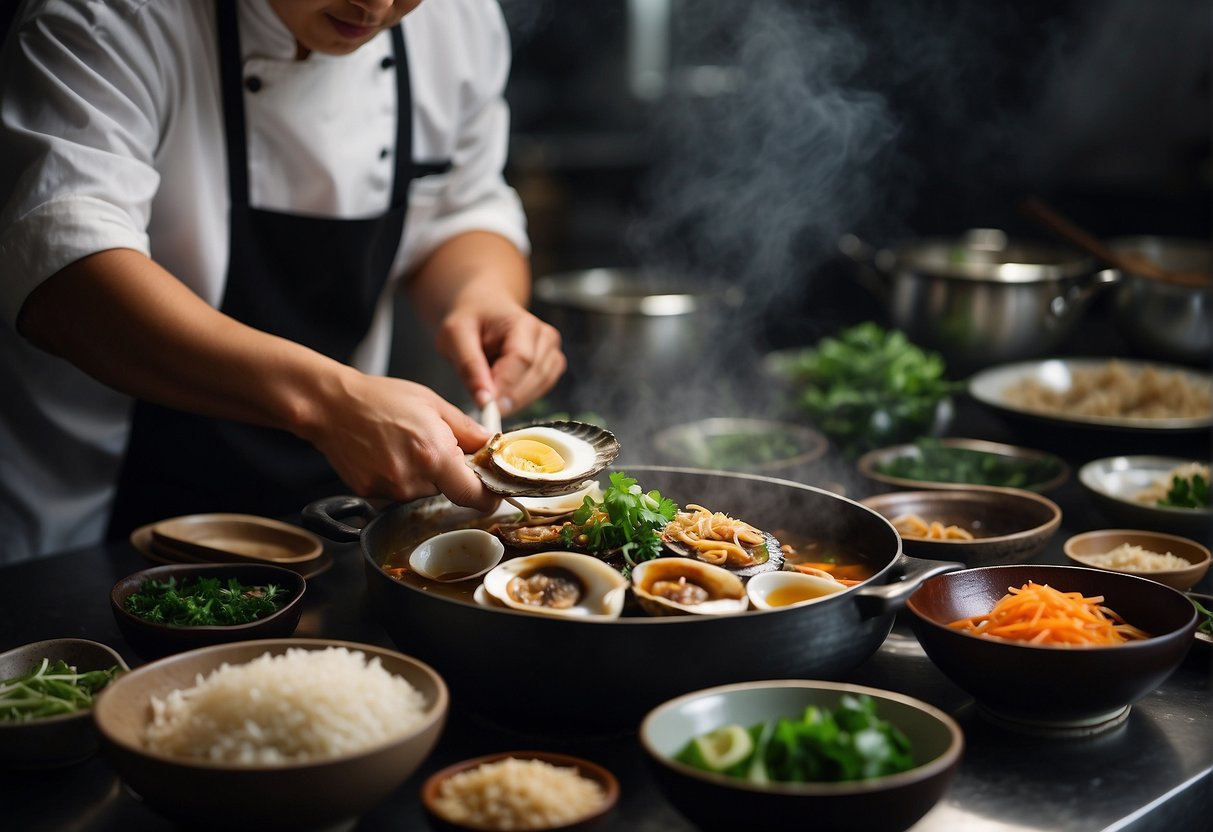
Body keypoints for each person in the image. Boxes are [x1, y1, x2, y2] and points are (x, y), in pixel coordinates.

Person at [0, 0, 566, 563]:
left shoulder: (456, 20)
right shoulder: (113, 15)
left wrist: (481, 294)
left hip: (337, 507)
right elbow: (68, 273)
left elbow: (460, 209)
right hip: (100, 517)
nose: (376, 4)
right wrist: (324, 404)